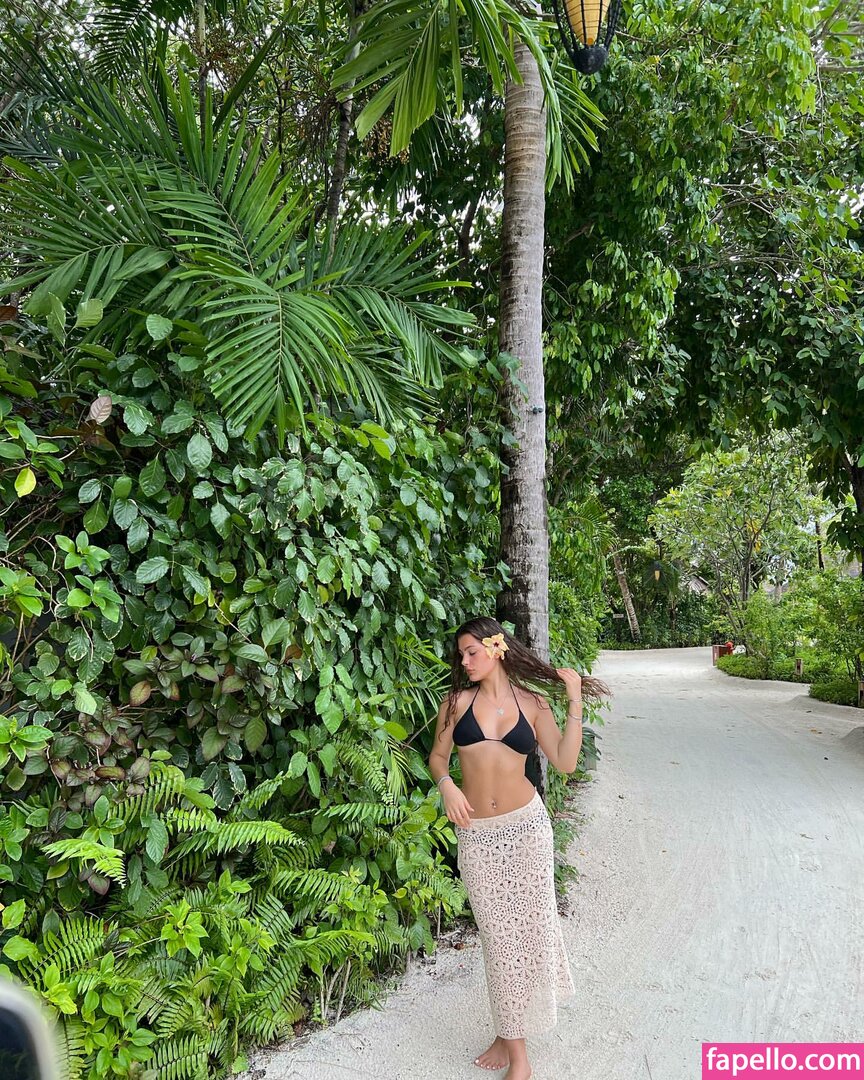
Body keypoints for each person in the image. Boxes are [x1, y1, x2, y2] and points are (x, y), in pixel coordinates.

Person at [429, 617, 609, 1080]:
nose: (465, 662)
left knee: (529, 934)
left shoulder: (533, 703)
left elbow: (565, 762)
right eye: (461, 655)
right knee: (498, 940)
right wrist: (447, 786)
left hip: (527, 830)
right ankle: (516, 1050)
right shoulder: (456, 703)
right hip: (478, 835)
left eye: (471, 652)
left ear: (496, 648)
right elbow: (438, 758)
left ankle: (513, 1047)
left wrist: (573, 700)